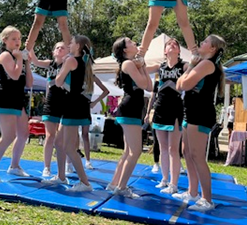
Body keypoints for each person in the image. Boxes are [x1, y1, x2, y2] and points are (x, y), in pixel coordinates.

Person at [175, 34, 226, 212]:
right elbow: (178, 85)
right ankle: (192, 192)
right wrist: (190, 69)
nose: (200, 43)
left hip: (200, 113)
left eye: (205, 42)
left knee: (197, 155)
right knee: (186, 152)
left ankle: (207, 199)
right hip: (190, 112)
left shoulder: (207, 64)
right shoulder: (202, 64)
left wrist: (190, 67)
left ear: (212, 49)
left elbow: (184, 85)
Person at [43, 35, 95, 192]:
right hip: (73, 105)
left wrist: (61, 69)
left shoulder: (71, 61)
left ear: (78, 46)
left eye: (71, 43)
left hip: (72, 106)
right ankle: (61, 176)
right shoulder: (83, 61)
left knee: (68, 147)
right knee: (59, 143)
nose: (68, 44)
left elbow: (58, 82)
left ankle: (84, 183)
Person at [0, 26, 33, 182]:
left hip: (18, 98)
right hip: (6, 98)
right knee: (8, 136)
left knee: (23, 134)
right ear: (5, 40)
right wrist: (19, 59)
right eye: (14, 39)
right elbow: (15, 76)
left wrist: (27, 63)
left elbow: (29, 83)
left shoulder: (18, 58)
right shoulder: (5, 55)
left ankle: (14, 166)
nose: (18, 42)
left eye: (19, 39)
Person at [108, 37, 153, 198]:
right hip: (129, 109)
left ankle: (114, 183)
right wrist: (141, 66)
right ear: (125, 49)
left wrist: (143, 66)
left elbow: (149, 86)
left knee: (128, 152)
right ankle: (121, 187)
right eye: (130, 42)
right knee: (135, 151)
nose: (134, 43)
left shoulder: (133, 64)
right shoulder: (127, 64)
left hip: (133, 109)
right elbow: (142, 84)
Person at [146, 37, 188, 194]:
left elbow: (194, 70)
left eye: (175, 44)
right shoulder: (160, 66)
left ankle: (174, 184)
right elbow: (143, 68)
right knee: (162, 147)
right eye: (169, 44)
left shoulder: (184, 65)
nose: (172, 45)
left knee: (173, 149)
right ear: (165, 51)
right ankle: (164, 179)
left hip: (175, 110)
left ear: (178, 50)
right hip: (160, 109)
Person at [28, 42, 69, 177]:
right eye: (57, 47)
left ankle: (67, 164)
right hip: (51, 102)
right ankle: (47, 167)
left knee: (63, 138)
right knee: (50, 135)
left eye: (62, 47)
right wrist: (31, 46)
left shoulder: (70, 64)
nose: (59, 49)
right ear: (53, 52)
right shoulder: (50, 64)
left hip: (66, 102)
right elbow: (35, 61)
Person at [80, 75, 110, 170]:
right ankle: (72, 160)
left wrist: (95, 102)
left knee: (85, 135)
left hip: (85, 107)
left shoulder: (92, 77)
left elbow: (106, 91)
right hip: (75, 106)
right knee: (74, 134)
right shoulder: (75, 72)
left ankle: (88, 161)